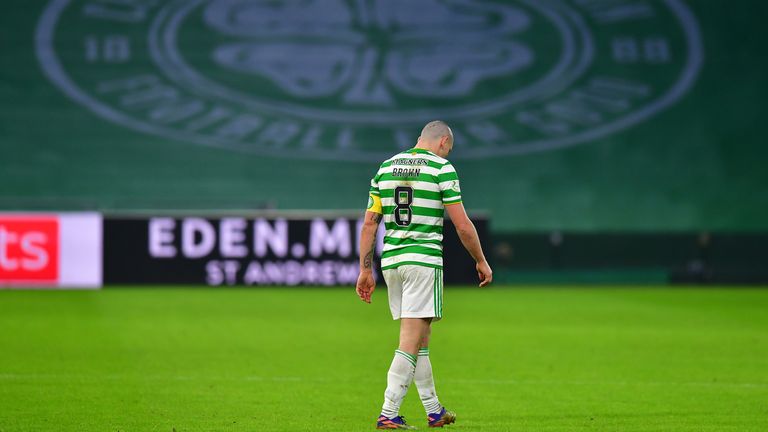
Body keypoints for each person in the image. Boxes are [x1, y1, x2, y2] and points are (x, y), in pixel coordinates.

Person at [356, 120, 493, 429]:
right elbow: (461, 225)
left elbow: (369, 225)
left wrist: (365, 269)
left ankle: (434, 409)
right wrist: (481, 260)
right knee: (409, 339)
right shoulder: (441, 169)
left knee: (421, 337)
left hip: (392, 262)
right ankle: (388, 412)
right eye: (449, 149)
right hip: (422, 261)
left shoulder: (386, 167)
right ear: (443, 142)